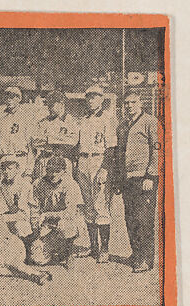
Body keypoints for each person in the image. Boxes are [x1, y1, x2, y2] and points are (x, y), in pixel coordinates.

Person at [115, 91, 160, 273]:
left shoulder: (150, 121)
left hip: (144, 178)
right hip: (128, 178)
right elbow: (119, 153)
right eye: (126, 103)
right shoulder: (123, 125)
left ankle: (145, 259)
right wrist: (119, 178)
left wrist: (150, 175)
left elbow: (157, 149)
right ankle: (136, 253)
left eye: (133, 102)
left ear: (140, 103)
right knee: (130, 218)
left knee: (144, 219)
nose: (129, 106)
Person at [77, 85, 117, 263]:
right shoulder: (83, 119)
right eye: (89, 97)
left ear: (102, 99)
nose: (91, 100)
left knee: (101, 206)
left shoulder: (108, 118)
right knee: (88, 207)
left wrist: (105, 168)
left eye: (95, 97)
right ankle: (93, 247)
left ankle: (105, 249)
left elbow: (111, 147)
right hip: (83, 160)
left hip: (99, 160)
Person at [29, 157, 85, 268]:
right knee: (38, 259)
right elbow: (34, 208)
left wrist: (48, 215)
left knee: (65, 227)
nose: (53, 174)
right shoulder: (38, 184)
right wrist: (36, 229)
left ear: (64, 171)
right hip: (47, 225)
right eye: (50, 170)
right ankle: (58, 248)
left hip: (68, 222)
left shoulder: (70, 184)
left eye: (57, 171)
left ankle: (69, 253)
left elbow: (70, 212)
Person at [33, 90, 80, 180]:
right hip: (45, 160)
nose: (49, 108)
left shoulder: (71, 121)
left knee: (63, 189)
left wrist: (48, 139)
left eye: (52, 105)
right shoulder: (43, 122)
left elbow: (72, 141)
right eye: (48, 105)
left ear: (61, 104)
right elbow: (36, 142)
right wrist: (60, 139)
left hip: (63, 160)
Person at [0, 86, 35, 181]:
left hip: (20, 160)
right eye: (7, 97)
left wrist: (28, 171)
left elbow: (31, 148)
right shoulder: (0, 120)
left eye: (12, 97)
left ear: (19, 99)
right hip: (3, 160)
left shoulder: (26, 118)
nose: (9, 100)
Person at [0, 157, 34, 243]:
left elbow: (21, 213)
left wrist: (1, 218)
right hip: (8, 217)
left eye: (10, 169)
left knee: (19, 226)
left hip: (24, 220)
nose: (6, 172)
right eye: (4, 169)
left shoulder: (24, 184)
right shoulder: (2, 185)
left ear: (17, 169)